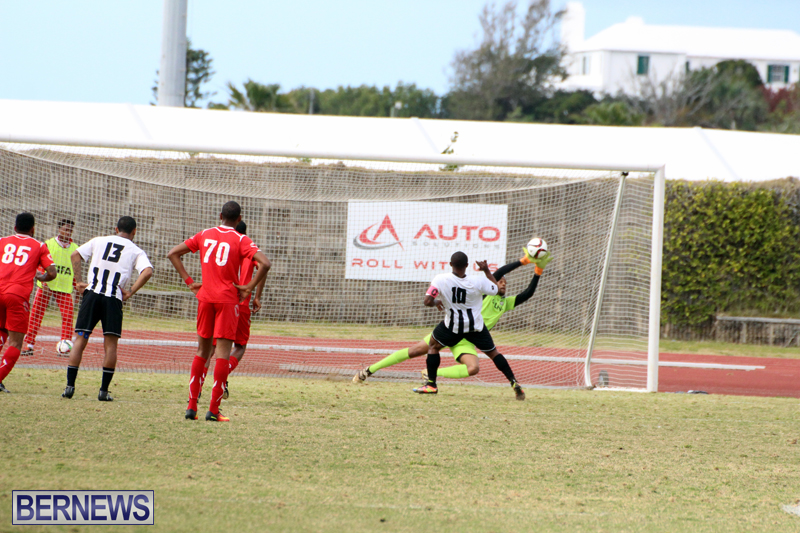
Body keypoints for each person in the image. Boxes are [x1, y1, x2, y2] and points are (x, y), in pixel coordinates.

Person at [353, 248, 552, 400]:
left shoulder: (504, 303)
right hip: (468, 329)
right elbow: (497, 274)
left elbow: (527, 294)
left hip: (464, 336)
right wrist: (523, 261)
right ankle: (369, 370)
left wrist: (537, 271)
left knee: (473, 368)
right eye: (500, 281)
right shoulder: (484, 290)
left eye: (505, 283)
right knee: (414, 351)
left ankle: (430, 376)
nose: (502, 283)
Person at [167, 201, 271, 422]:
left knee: (202, 351)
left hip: (205, 298)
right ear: (239, 218)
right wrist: (249, 287)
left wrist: (189, 281)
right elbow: (265, 263)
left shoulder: (204, 234)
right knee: (223, 354)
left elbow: (173, 253)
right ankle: (213, 410)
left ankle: (191, 407)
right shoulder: (241, 239)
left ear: (220, 215)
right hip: (227, 300)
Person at [61, 216, 154, 401]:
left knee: (80, 339)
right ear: (134, 232)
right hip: (113, 298)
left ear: (116, 229)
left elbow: (75, 255)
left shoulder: (99, 240)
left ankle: (69, 387)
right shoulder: (135, 250)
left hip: (92, 294)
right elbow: (148, 271)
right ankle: (103, 391)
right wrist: (130, 292)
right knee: (110, 344)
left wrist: (79, 281)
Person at [202, 220, 267, 400]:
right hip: (240, 303)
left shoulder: (220, 245)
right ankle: (222, 378)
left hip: (218, 300)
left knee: (210, 347)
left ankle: (197, 387)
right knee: (239, 346)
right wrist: (256, 295)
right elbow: (264, 266)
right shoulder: (249, 248)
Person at [0, 213, 58, 392]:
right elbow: (52, 272)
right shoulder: (39, 246)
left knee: (2, 331)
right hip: (17, 296)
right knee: (16, 342)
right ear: (33, 229)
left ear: (15, 227)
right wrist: (41, 277)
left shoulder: (2, 241)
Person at [24, 219, 80, 356]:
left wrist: (77, 287)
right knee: (36, 315)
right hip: (46, 286)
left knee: (68, 316)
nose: (68, 232)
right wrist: (43, 281)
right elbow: (39, 263)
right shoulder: (48, 244)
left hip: (64, 288)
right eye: (65, 229)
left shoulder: (75, 248)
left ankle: (65, 345)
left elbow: (76, 270)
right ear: (59, 229)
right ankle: (29, 344)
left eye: (70, 230)